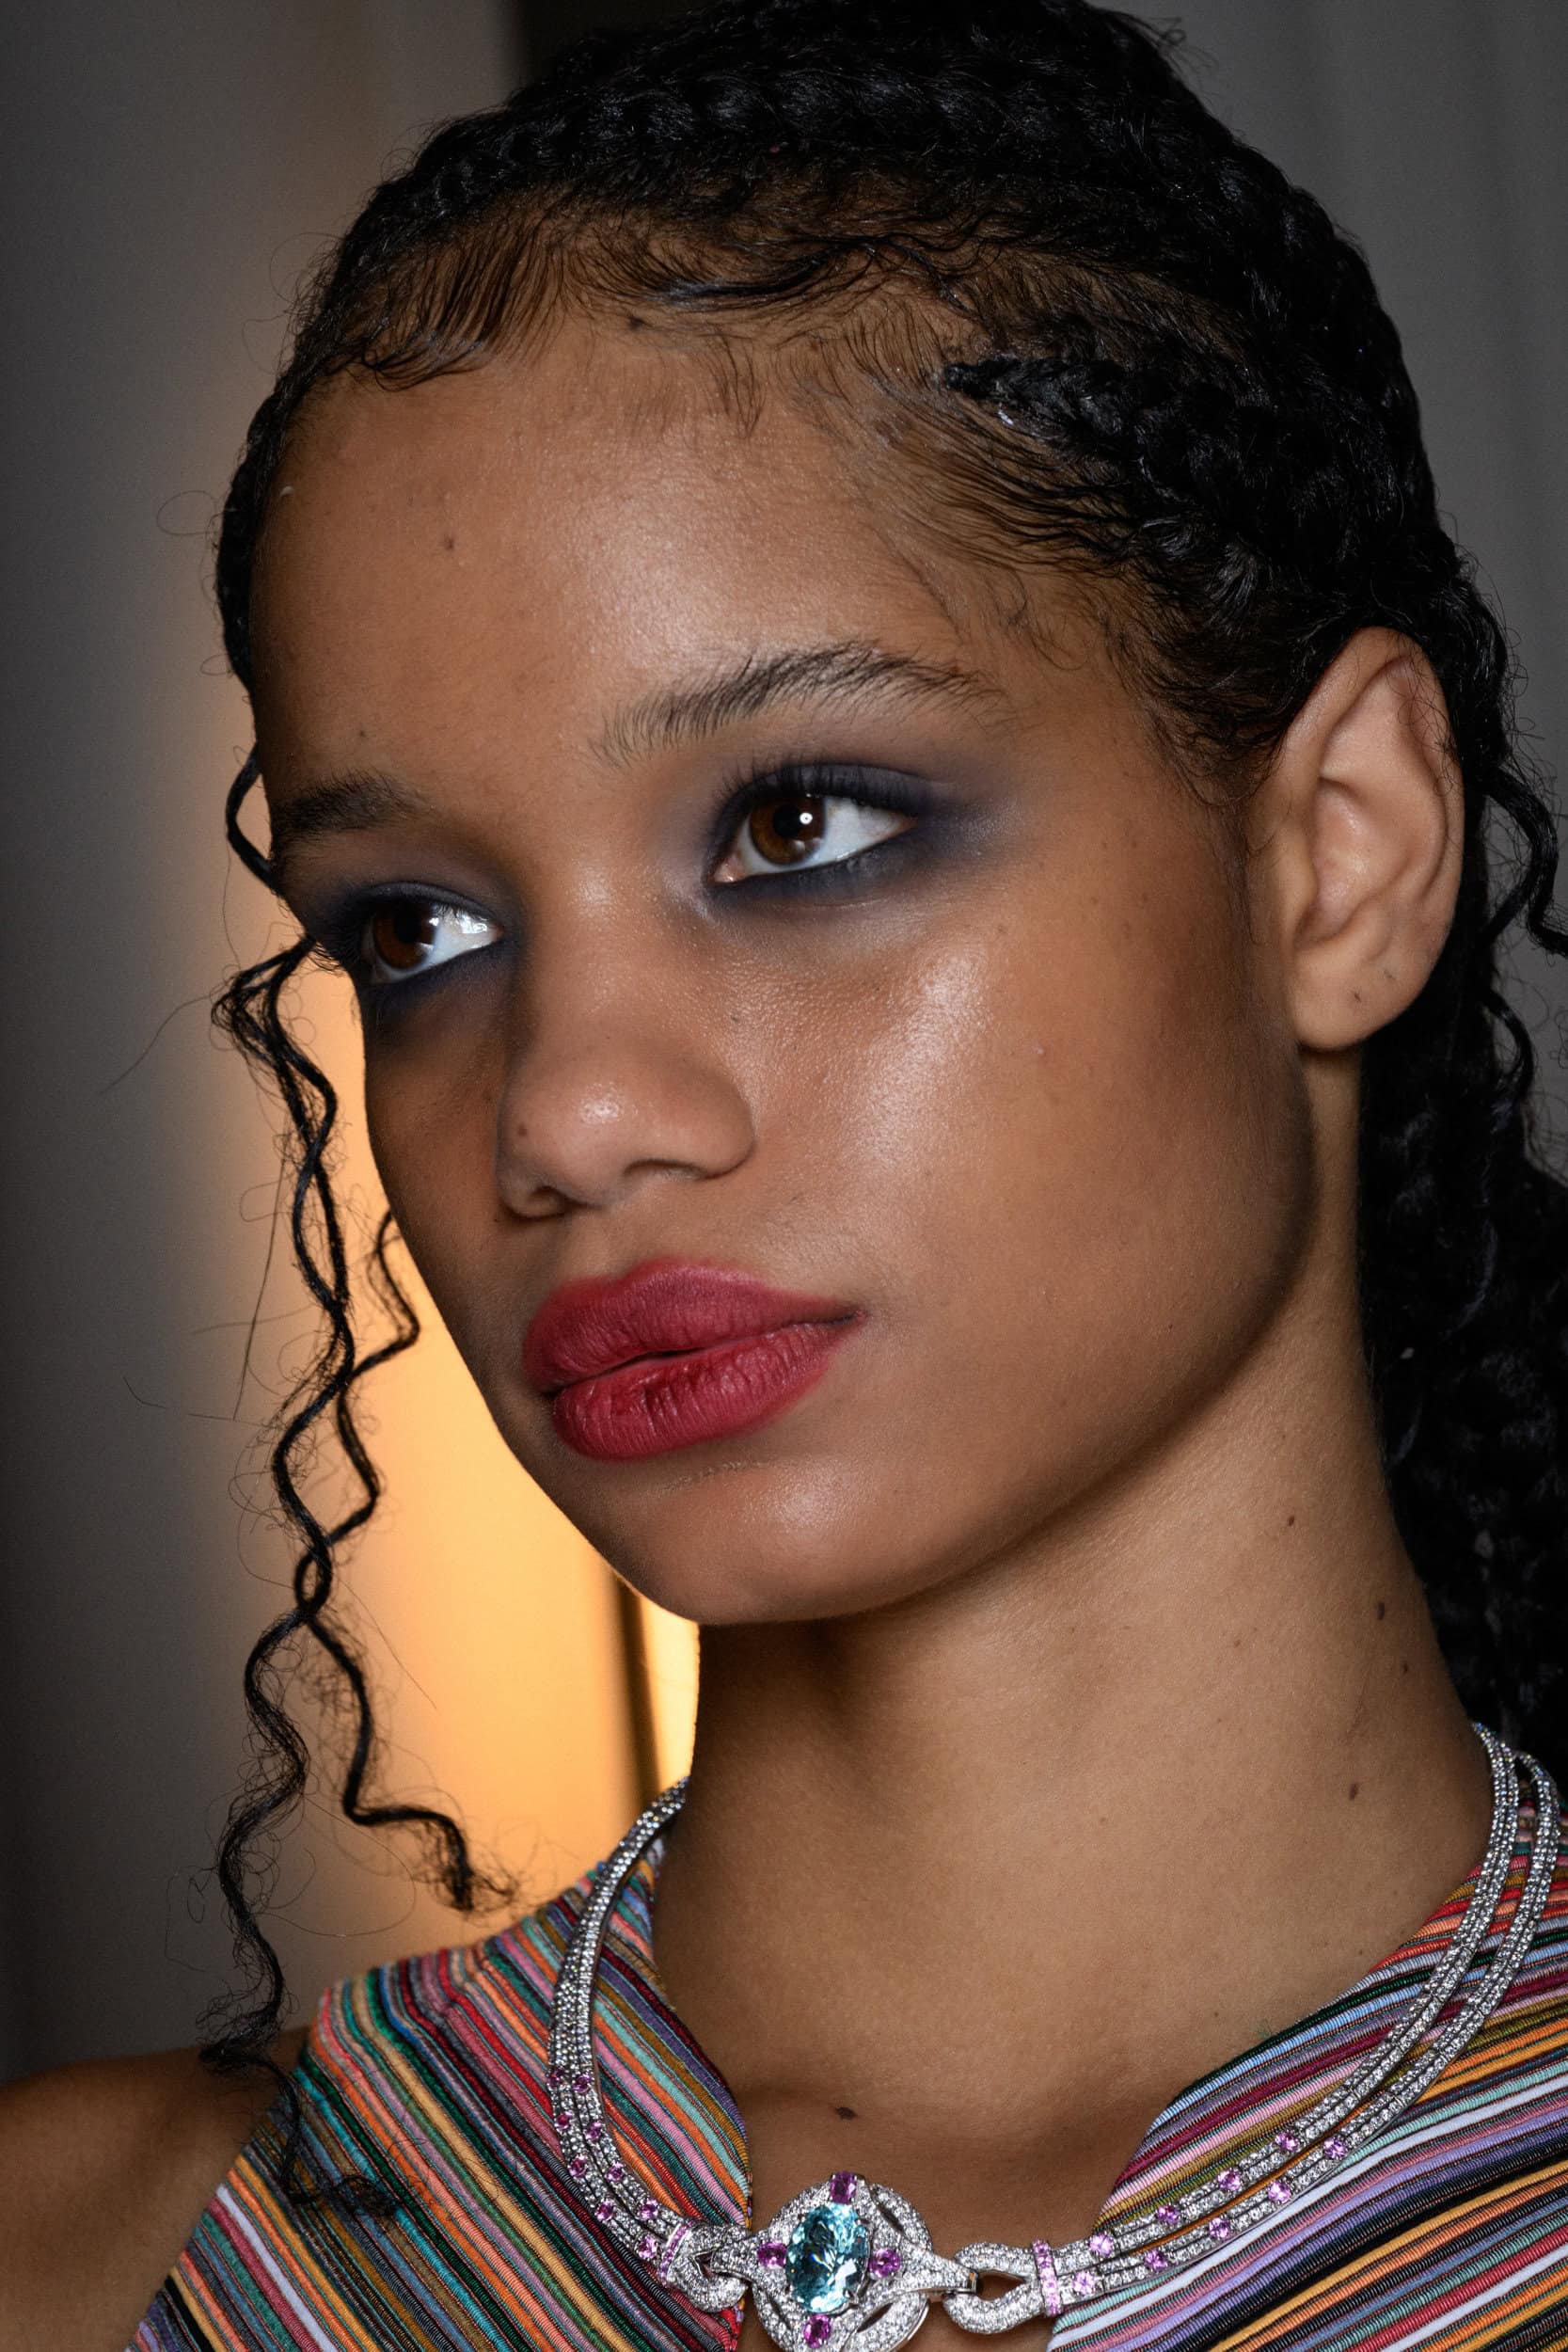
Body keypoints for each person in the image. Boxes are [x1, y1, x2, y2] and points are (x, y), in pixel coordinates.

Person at [5, 1, 1567, 2344]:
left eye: (797, 824)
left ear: (1342, 851)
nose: (563, 1111)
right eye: (416, 930)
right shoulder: (75, 2261)